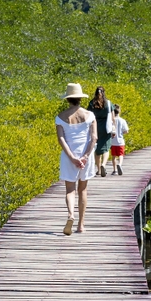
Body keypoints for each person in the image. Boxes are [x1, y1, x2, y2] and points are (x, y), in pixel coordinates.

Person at [55, 83, 97, 235]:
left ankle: (71, 214)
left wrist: (72, 158)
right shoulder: (89, 115)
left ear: (68, 99)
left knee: (70, 190)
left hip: (69, 156)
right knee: (83, 189)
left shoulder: (60, 117)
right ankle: (80, 225)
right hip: (86, 156)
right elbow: (94, 138)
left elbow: (61, 139)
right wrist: (85, 156)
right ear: (80, 98)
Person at [88, 86, 116, 178]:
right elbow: (112, 117)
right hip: (106, 127)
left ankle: (99, 170)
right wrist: (114, 128)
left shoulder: (92, 103)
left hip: (95, 126)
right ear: (104, 93)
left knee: (97, 149)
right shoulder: (108, 103)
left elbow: (88, 115)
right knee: (106, 148)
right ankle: (103, 164)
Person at [110, 105, 129, 175]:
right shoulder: (122, 120)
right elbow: (126, 131)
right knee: (121, 155)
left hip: (113, 141)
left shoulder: (111, 120)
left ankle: (114, 170)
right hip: (120, 141)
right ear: (119, 111)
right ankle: (120, 164)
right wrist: (122, 132)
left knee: (113, 156)